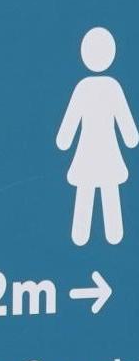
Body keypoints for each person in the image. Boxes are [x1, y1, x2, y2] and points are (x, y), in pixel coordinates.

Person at [57, 26, 137, 246]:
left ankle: (81, 238)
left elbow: (69, 124)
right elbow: (127, 126)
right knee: (108, 191)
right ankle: (110, 235)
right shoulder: (112, 87)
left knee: (88, 190)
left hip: (89, 153)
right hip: (107, 153)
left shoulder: (85, 88)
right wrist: (131, 139)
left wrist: (63, 141)